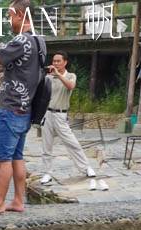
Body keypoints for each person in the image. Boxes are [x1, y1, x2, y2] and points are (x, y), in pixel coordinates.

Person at [0, 0, 45, 216]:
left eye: (10, 14)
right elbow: (13, 60)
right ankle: (18, 201)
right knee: (17, 156)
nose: (8, 19)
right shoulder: (38, 40)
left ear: (21, 15)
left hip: (11, 106)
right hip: (26, 108)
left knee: (3, 158)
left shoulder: (21, 40)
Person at [38, 52, 105, 191]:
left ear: (65, 62)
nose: (55, 63)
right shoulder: (48, 77)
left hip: (61, 115)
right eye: (54, 61)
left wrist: (58, 75)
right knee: (46, 146)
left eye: (58, 61)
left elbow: (70, 86)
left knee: (72, 143)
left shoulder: (70, 75)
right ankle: (47, 173)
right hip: (47, 114)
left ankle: (86, 168)